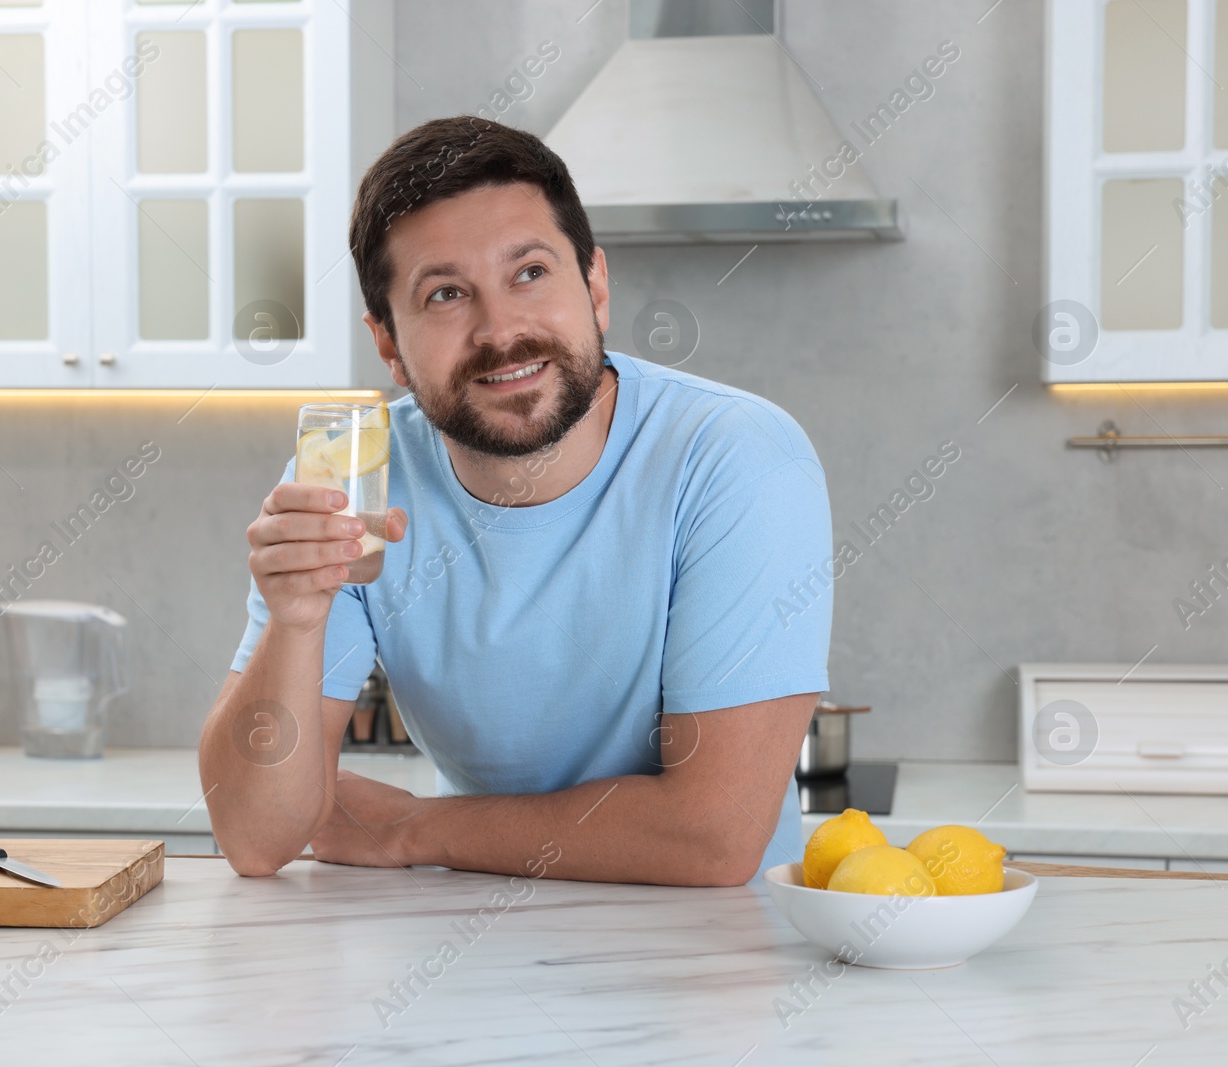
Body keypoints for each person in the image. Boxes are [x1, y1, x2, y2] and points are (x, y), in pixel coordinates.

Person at [199, 115, 833, 886]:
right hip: (474, 950)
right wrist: (296, 620)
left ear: (595, 287)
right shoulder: (356, 471)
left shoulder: (737, 457)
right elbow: (257, 837)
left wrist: (409, 826)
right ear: (390, 344)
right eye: (444, 293)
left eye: (529, 272)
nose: (501, 330)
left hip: (709, 960)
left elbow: (712, 837)